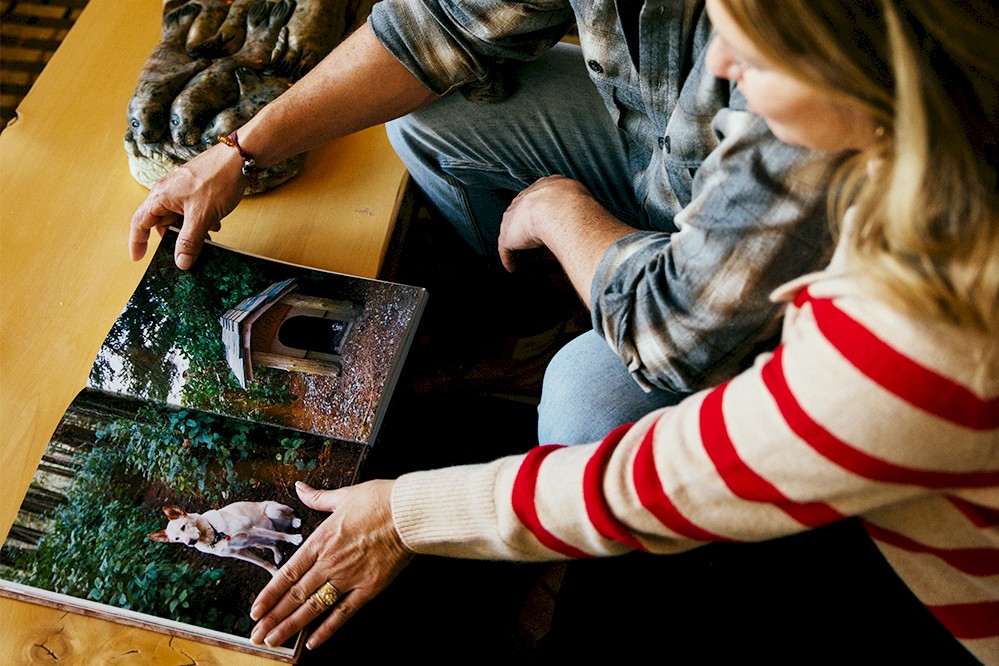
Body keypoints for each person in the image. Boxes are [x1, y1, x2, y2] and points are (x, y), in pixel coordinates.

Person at [243, 0, 998, 661]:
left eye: (754, 56)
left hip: (941, 609)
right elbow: (434, 23)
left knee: (597, 440)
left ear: (854, 70)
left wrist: (401, 516)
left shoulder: (915, 340)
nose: (722, 65)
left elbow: (642, 486)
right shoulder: (923, 148)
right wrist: (240, 150)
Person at [129, 0, 838, 446]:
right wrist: (238, 153)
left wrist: (561, 211)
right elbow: (434, 26)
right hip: (665, 158)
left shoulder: (817, 66)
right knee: (429, 122)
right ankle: (534, 325)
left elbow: (676, 336)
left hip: (771, 289)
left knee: (584, 401)